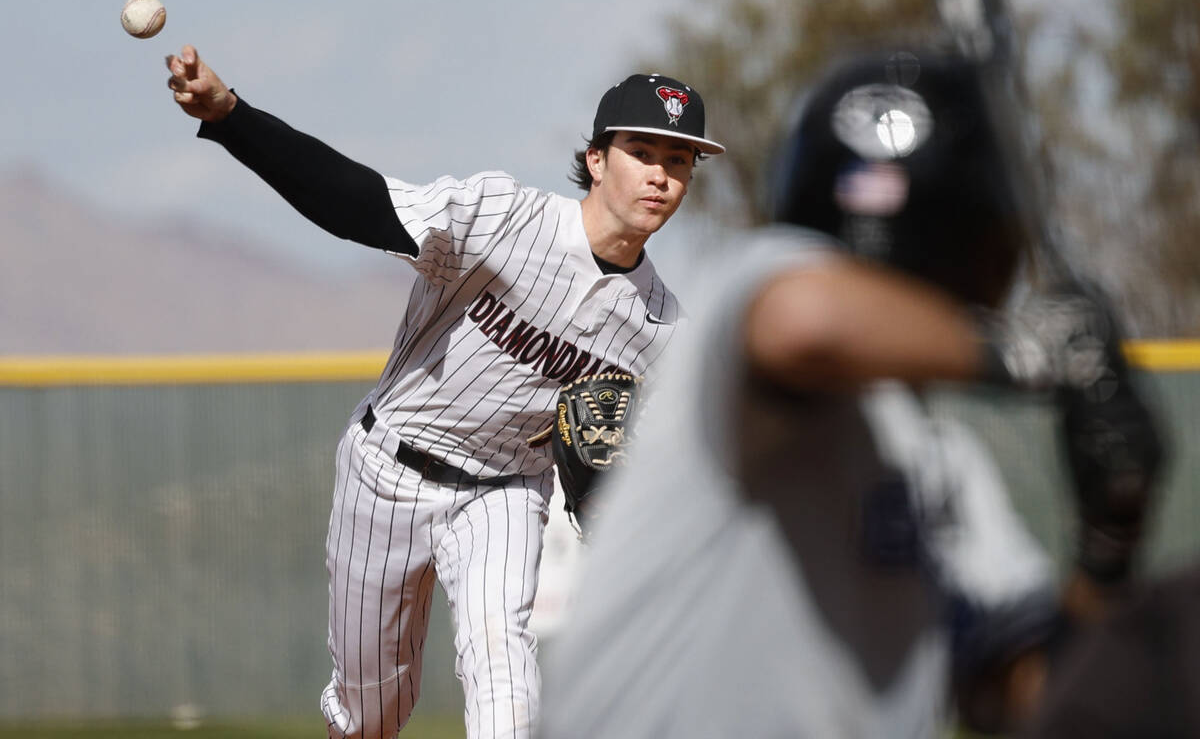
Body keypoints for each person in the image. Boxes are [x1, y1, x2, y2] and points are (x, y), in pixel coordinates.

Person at [535, 47, 1165, 738]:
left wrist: (1107, 552)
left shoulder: (942, 469)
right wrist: (1024, 352)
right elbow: (806, 323)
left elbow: (1026, 704)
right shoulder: (743, 302)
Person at [162, 45, 724, 739]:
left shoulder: (662, 327)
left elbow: (684, 463)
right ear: (599, 160)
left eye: (680, 163)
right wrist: (231, 117)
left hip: (506, 492)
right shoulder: (504, 217)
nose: (662, 177)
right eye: (644, 152)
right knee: (374, 710)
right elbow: (357, 205)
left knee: (505, 679)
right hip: (389, 467)